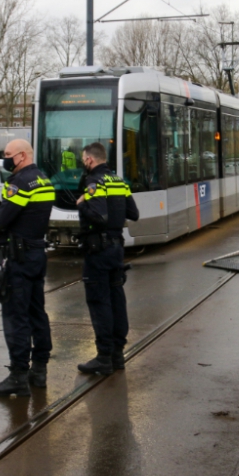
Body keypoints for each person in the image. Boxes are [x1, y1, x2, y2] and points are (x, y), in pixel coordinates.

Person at [0, 139, 55, 397]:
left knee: (16, 316)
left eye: (7, 155)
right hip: (36, 254)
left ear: (22, 156)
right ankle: (39, 369)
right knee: (38, 312)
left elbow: (1, 219)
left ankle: (17, 375)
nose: (4, 159)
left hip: (18, 257)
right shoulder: (44, 180)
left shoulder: (19, 183)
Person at [74, 142, 139, 375]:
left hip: (98, 251)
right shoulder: (119, 181)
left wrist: (82, 204)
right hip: (116, 250)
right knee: (116, 298)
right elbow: (134, 213)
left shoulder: (94, 182)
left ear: (90, 160)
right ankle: (117, 355)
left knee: (99, 301)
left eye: (84, 159)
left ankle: (103, 357)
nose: (84, 163)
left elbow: (98, 216)